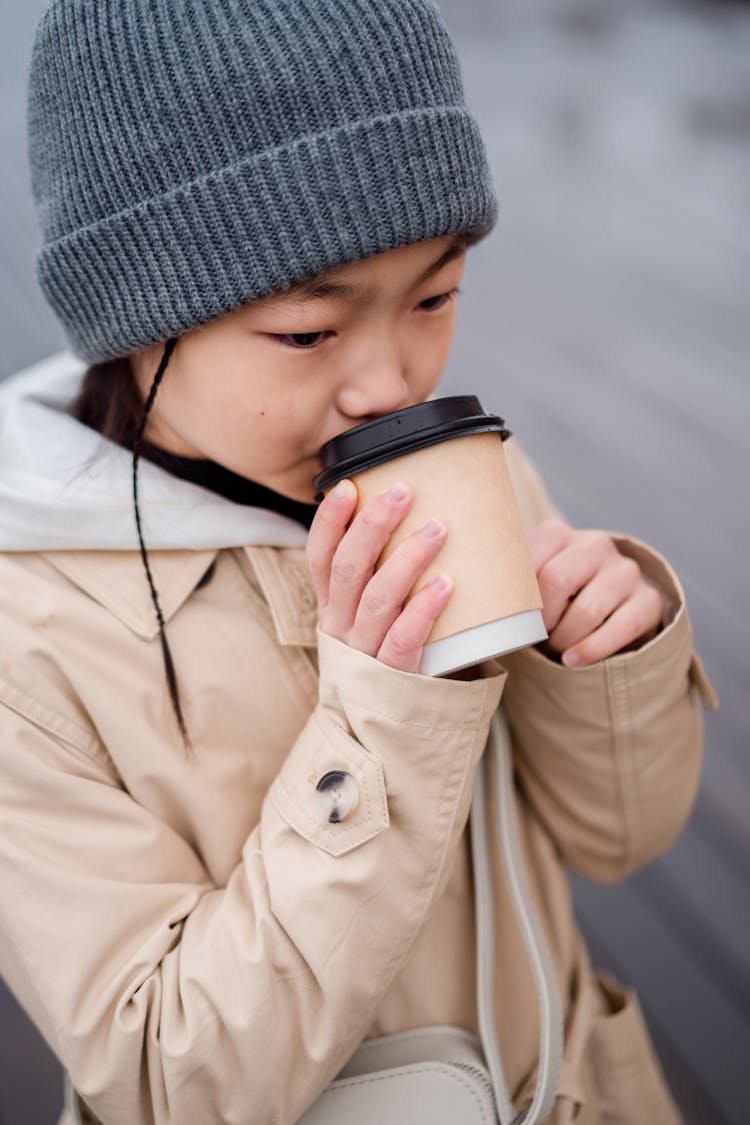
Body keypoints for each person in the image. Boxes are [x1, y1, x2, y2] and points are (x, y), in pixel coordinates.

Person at [0, 1, 717, 1123]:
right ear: (135, 312)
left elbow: (619, 836)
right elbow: (163, 1079)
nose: (391, 384)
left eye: (435, 297)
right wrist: (383, 720)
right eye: (307, 331)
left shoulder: (460, 477)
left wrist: (608, 660)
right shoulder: (30, 632)